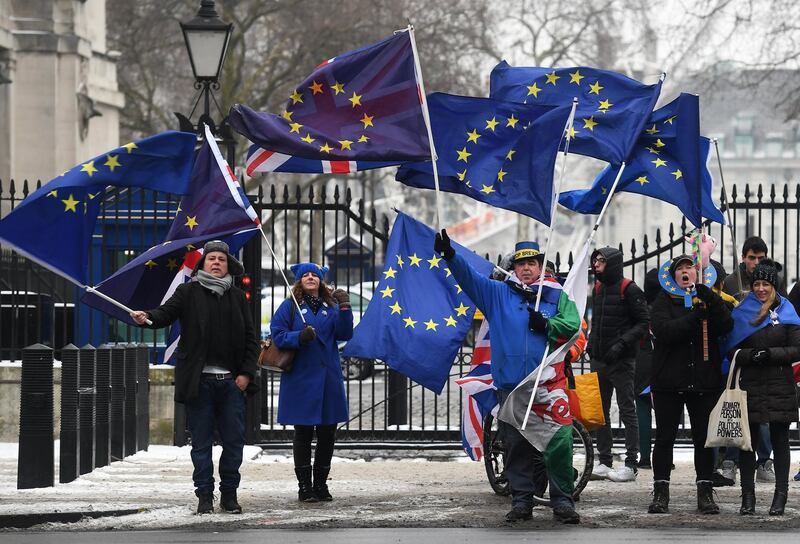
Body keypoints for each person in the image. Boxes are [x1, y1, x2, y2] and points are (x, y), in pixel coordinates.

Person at [434, 231, 582, 524]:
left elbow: (573, 325)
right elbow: (470, 279)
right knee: (516, 447)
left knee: (560, 443)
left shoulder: (557, 294)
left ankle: (563, 501)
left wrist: (548, 325)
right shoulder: (497, 294)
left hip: (548, 386)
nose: (526, 268)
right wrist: (450, 255)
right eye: (521, 264)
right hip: (512, 387)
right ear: (514, 268)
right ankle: (522, 502)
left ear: (541, 266)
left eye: (532, 263)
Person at [130, 240, 259, 515]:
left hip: (232, 383)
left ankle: (229, 495)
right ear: (203, 264)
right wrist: (147, 317)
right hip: (198, 383)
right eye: (211, 258)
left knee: (234, 443)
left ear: (228, 265)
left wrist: (246, 374)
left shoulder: (237, 296)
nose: (216, 262)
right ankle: (204, 495)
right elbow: (165, 314)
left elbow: (251, 338)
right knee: (201, 444)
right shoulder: (188, 292)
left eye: (221, 259)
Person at [647, 255, 733, 515]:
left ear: (698, 274)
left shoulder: (707, 298)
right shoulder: (663, 300)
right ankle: (661, 492)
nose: (685, 272)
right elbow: (664, 331)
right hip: (668, 382)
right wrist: (693, 317)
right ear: (673, 276)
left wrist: (712, 299)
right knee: (664, 438)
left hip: (703, 381)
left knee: (703, 440)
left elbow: (726, 325)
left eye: (690, 268)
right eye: (680, 269)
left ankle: (705, 491)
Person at [270, 262, 353, 502]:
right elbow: (277, 335)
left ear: (321, 281)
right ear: (298, 281)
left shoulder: (332, 306)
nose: (310, 278)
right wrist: (299, 337)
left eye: (314, 275)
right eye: (305, 275)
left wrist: (345, 307)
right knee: (303, 433)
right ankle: (304, 487)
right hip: (301, 378)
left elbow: (345, 334)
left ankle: (321, 485)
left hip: (328, 379)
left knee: (328, 434)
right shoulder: (290, 307)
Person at [723, 259, 800, 516]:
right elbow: (731, 348)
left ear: (773, 285)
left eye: (765, 284)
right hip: (751, 384)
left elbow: (796, 349)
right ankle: (748, 497)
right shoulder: (742, 311)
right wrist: (748, 356)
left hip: (780, 384)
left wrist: (771, 354)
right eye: (756, 283)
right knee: (748, 443)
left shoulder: (787, 311)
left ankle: (780, 496)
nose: (760, 289)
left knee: (780, 441)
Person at [721, 237, 781, 484]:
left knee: (763, 417)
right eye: (751, 257)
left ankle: (764, 461)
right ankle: (730, 461)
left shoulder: (772, 280)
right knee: (736, 412)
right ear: (743, 258)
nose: (755, 262)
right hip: (741, 359)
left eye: (760, 257)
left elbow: (780, 314)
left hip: (764, 358)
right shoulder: (732, 281)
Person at [588, 247, 650, 482]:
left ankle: (631, 463)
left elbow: (643, 322)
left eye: (601, 261)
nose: (596, 265)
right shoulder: (598, 288)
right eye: (595, 261)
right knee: (600, 411)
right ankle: (604, 460)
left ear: (612, 264)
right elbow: (597, 320)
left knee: (627, 409)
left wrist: (622, 344)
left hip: (622, 361)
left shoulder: (629, 289)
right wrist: (592, 343)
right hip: (600, 359)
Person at [634, 268, 661, 470]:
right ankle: (663, 456)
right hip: (662, 359)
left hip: (641, 359)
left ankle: (644, 456)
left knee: (642, 408)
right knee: (664, 410)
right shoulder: (665, 307)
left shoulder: (641, 307)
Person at [722, 236, 786, 300]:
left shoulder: (776, 281)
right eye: (752, 258)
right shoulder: (730, 282)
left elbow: (785, 306)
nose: (757, 262)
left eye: (761, 258)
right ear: (743, 258)